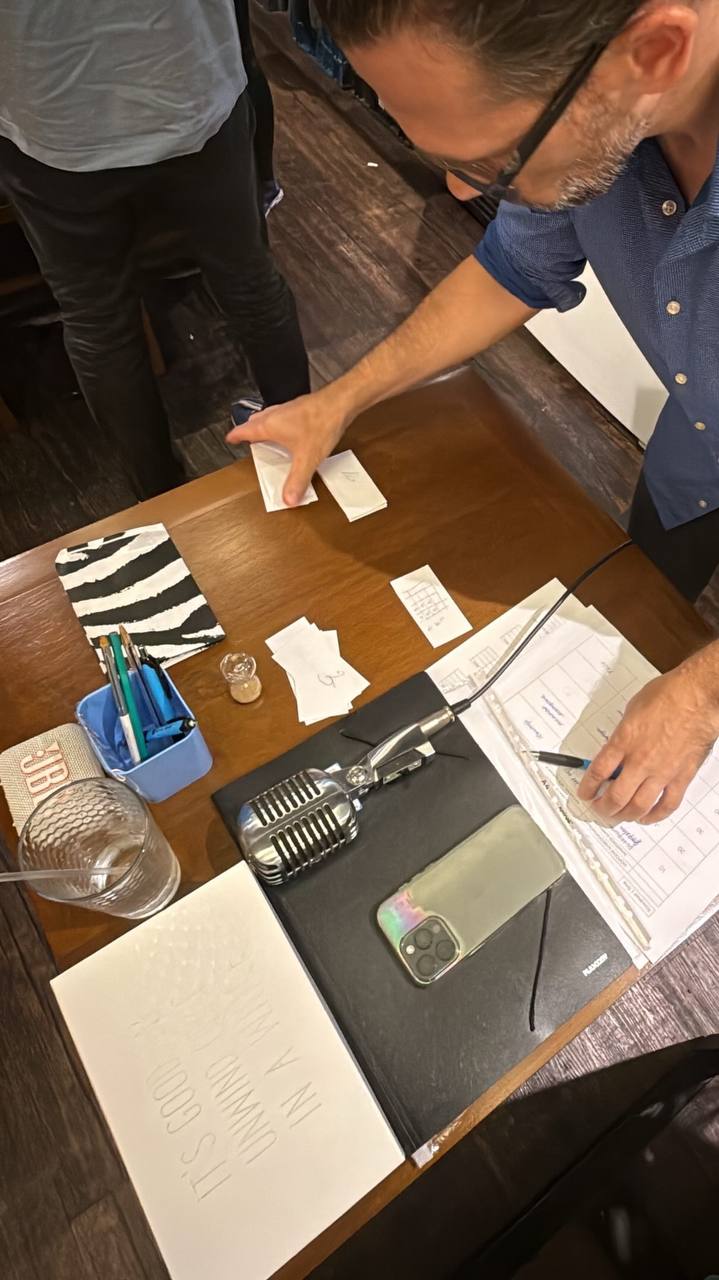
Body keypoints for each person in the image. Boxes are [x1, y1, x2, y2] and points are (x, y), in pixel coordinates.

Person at [228, 0, 719, 828]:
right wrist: (339, 399)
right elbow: (513, 267)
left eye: (495, 160)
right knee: (646, 615)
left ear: (655, 51)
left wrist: (701, 698)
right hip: (693, 460)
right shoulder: (602, 106)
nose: (459, 191)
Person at [0, 0, 309, 499]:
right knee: (248, 281)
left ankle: (159, 496)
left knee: (98, 320)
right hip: (188, 80)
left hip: (49, 108)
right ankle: (304, 449)